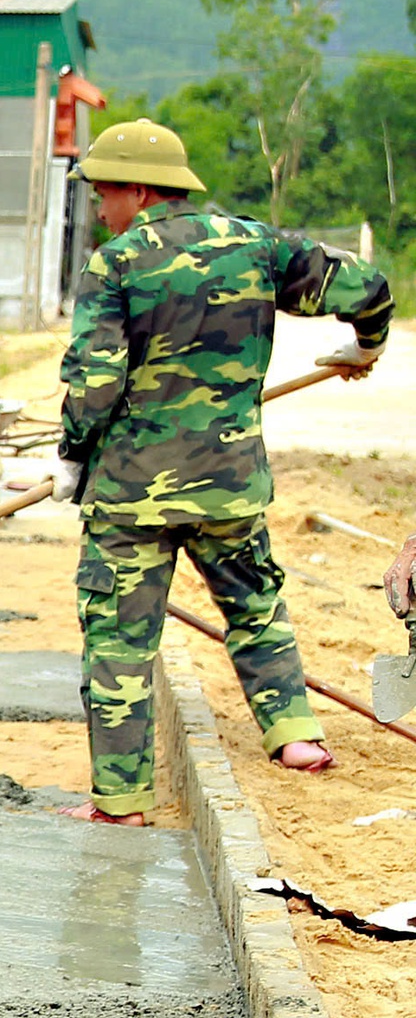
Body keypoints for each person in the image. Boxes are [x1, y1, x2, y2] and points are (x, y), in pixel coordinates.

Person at [55, 118, 391, 825]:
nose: (100, 209)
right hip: (230, 483)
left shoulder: (116, 264)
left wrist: (72, 452)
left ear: (140, 191)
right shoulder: (256, 246)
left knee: (119, 643)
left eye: (104, 194)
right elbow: (366, 287)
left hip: (132, 495)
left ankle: (121, 801)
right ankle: (295, 735)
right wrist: (366, 346)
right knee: (255, 607)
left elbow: (96, 383)